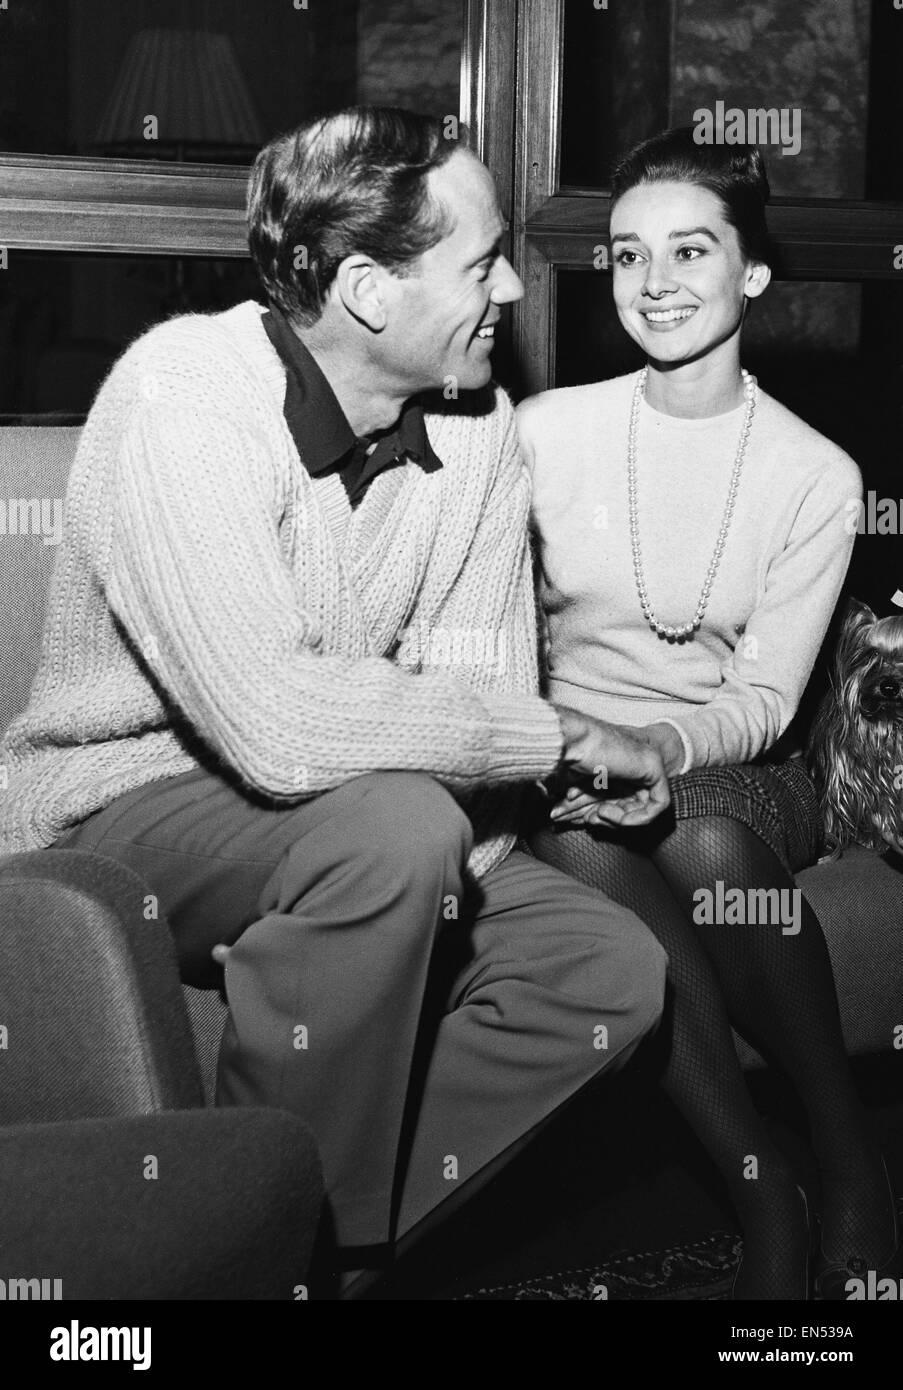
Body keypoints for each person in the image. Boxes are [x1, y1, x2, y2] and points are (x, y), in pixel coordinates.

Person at [0, 107, 669, 1293]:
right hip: (115, 809)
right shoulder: (183, 398)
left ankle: (286, 1252)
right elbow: (278, 726)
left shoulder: (477, 429)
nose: (514, 287)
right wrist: (556, 734)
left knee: (605, 969)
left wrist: (509, 816)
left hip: (346, 808)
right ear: (366, 287)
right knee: (399, 830)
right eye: (481, 261)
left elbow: (476, 696)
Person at [518, 126, 899, 1300]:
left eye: (691, 251)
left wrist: (660, 745)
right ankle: (760, 1189)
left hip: (739, 764)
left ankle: (845, 1163)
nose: (657, 282)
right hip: (564, 765)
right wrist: (565, 744)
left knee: (707, 836)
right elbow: (491, 638)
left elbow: (765, 698)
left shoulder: (815, 474)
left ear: (754, 276)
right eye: (629, 256)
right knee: (593, 838)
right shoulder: (542, 434)